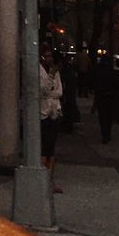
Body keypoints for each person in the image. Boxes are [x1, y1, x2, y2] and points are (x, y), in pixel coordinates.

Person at [39, 42, 64, 193]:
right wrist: (50, 76)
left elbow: (59, 91)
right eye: (46, 56)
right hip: (44, 112)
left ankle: (50, 178)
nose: (49, 59)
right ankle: (44, 179)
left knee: (51, 148)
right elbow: (42, 90)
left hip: (54, 111)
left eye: (50, 56)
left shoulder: (56, 72)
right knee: (44, 147)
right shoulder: (41, 71)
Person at [92, 53, 119, 143]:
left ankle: (105, 133)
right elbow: (117, 85)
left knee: (103, 116)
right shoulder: (111, 71)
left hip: (101, 96)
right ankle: (107, 133)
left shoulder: (98, 71)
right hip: (109, 96)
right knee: (108, 116)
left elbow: (94, 84)